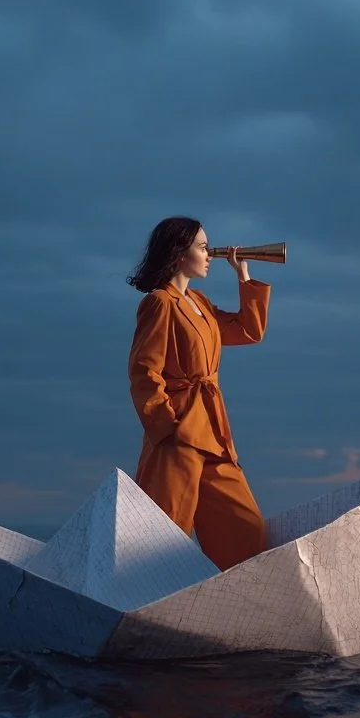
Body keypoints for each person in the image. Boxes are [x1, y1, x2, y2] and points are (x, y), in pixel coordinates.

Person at [126, 216, 271, 570]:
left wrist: (244, 276)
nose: (210, 255)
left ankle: (236, 612)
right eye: (203, 247)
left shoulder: (200, 303)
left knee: (247, 532)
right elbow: (144, 372)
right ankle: (149, 614)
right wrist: (167, 427)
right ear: (179, 253)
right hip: (177, 434)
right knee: (164, 540)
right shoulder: (160, 303)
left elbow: (248, 331)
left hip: (213, 431)